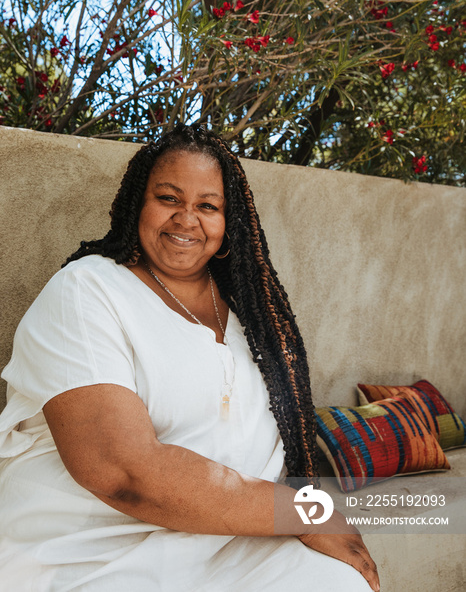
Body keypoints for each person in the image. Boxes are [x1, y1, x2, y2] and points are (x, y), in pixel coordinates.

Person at [0, 124, 379, 592]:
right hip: (93, 552)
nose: (186, 219)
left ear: (229, 221)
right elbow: (121, 471)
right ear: (138, 201)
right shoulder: (87, 290)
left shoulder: (250, 315)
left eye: (207, 206)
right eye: (168, 198)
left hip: (233, 545)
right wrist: (307, 513)